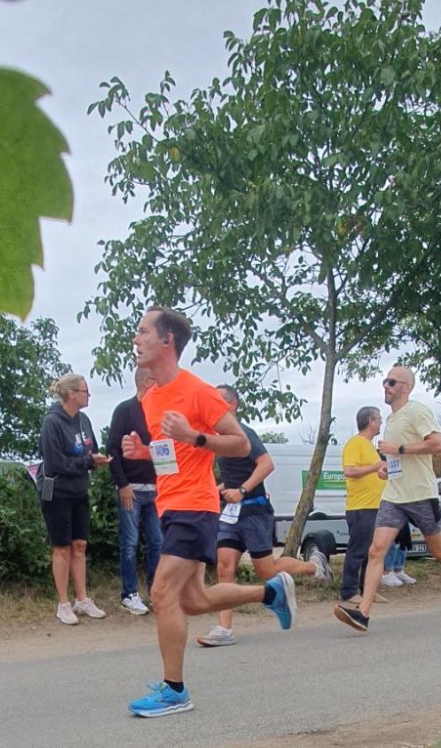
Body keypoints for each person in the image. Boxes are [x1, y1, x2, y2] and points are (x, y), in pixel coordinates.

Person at [120, 307, 295, 717]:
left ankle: (174, 691)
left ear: (168, 341)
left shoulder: (198, 391)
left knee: (161, 592)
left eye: (143, 331)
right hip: (170, 505)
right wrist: (144, 453)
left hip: (194, 506)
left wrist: (195, 435)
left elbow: (240, 444)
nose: (135, 339)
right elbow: (171, 454)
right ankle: (271, 591)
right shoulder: (153, 398)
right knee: (193, 600)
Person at [332, 366, 441, 633]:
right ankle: (363, 613)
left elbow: (438, 445)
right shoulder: (391, 420)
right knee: (376, 550)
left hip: (420, 493)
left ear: (406, 387)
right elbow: (397, 459)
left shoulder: (416, 411)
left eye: (391, 382)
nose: (386, 386)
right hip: (394, 495)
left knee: (440, 551)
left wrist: (400, 448)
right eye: (385, 381)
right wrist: (386, 468)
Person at [197, 386, 316, 647]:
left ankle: (313, 567)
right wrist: (219, 489)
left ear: (232, 405)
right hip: (232, 515)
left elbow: (266, 464)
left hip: (255, 512)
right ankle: (224, 628)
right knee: (224, 567)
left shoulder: (244, 433)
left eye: (217, 401)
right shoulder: (218, 439)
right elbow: (235, 476)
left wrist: (241, 490)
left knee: (267, 571)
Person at [37, 373, 111, 625]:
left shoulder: (84, 420)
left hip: (79, 490)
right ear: (71, 394)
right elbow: (56, 463)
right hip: (57, 492)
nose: (89, 396)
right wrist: (87, 462)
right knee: (62, 547)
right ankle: (63, 604)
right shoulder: (52, 422)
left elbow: (91, 451)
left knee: (79, 545)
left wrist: (96, 460)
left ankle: (82, 599)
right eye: (85, 391)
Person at [106, 368, 162, 616]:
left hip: (156, 489)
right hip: (132, 489)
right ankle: (129, 594)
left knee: (157, 543)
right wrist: (123, 484)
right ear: (146, 381)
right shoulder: (125, 410)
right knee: (129, 543)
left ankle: (156, 592)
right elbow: (112, 449)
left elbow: (165, 448)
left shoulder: (159, 411)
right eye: (156, 379)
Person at [339, 406, 388, 603]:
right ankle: (349, 591)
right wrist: (375, 467)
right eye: (379, 418)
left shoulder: (370, 447)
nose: (381, 421)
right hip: (360, 507)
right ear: (370, 421)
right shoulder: (355, 443)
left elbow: (373, 472)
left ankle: (368, 589)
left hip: (375, 506)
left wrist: (381, 473)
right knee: (358, 550)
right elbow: (349, 471)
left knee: (372, 551)